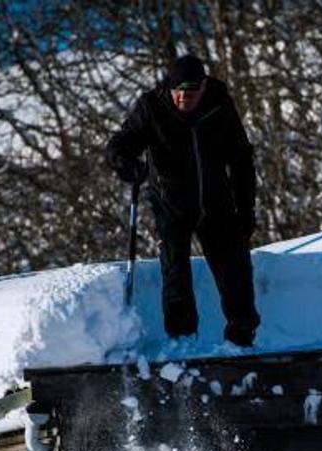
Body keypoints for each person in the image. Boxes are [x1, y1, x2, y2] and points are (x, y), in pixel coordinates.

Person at [106, 54, 261, 347]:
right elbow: (122, 142)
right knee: (175, 272)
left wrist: (246, 209)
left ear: (204, 87)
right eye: (178, 92)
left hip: (217, 202)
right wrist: (124, 162)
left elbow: (241, 159)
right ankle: (183, 343)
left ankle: (242, 338)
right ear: (170, 87)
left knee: (235, 269)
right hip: (171, 204)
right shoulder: (152, 106)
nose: (183, 99)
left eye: (190, 93)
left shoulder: (219, 104)